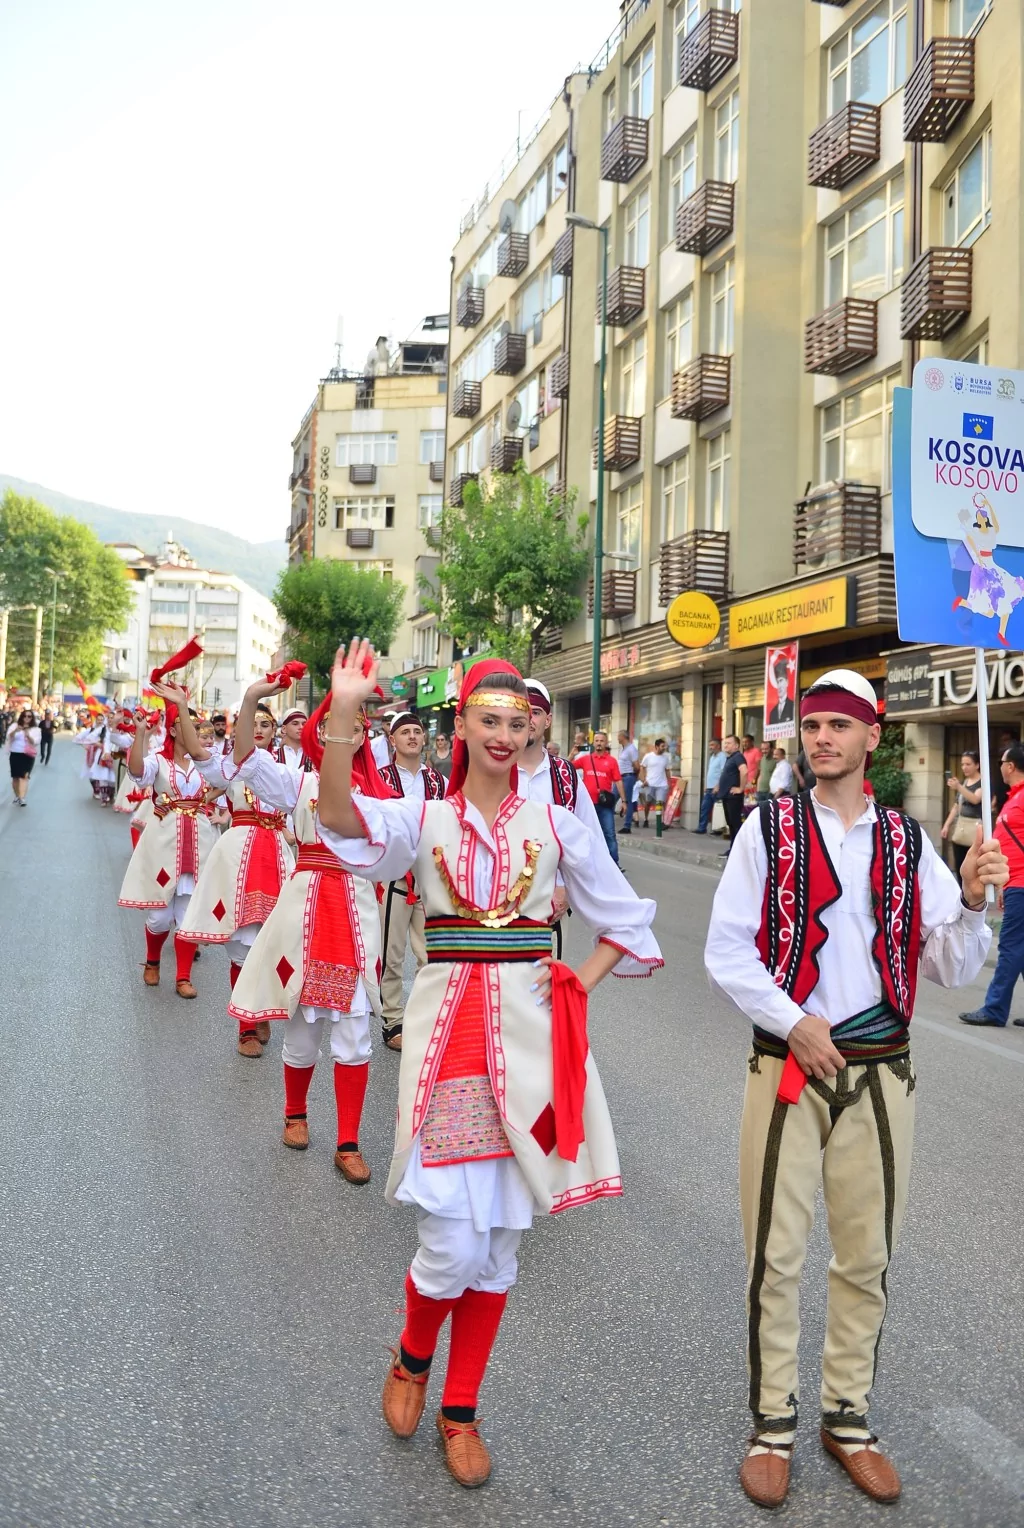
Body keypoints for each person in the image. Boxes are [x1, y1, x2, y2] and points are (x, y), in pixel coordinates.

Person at [314, 642, 662, 1490]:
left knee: (499, 1246)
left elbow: (627, 920)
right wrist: (343, 715)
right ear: (459, 726)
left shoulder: (558, 825)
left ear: (532, 727)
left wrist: (580, 974)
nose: (504, 735)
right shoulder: (422, 816)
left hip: (531, 1050)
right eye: (488, 720)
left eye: (517, 722)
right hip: (447, 1044)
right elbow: (340, 819)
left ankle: (461, 1409)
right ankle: (411, 1355)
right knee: (448, 1248)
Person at [705, 669, 1006, 1510]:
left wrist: (975, 901)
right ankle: (772, 1423)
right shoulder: (768, 828)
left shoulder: (911, 844)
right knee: (776, 1252)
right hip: (789, 1065)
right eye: (812, 725)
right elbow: (727, 950)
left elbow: (947, 963)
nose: (822, 738)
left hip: (882, 1071)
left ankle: (847, 1416)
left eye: (840, 725)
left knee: (867, 1255)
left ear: (874, 738)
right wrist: (794, 1019)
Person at [221, 676, 389, 1184]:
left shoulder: (381, 791)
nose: (353, 732)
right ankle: (295, 1113)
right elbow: (248, 760)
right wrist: (252, 700)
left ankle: (349, 1141)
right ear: (323, 734)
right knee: (303, 1024)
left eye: (359, 725)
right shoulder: (302, 784)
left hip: (357, 911)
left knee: (356, 1032)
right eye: (341, 723)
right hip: (307, 906)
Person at [174, 689, 298, 1058]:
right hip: (239, 854)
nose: (258, 728)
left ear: (275, 730)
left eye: (265, 723)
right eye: (252, 722)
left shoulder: (289, 770)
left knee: (275, 940)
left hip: (277, 854)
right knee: (242, 946)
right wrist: (182, 707)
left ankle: (260, 1006)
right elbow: (197, 752)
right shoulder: (230, 765)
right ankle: (246, 1025)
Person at [118, 686, 219, 999]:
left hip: (200, 840)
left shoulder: (209, 761)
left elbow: (227, 783)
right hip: (164, 842)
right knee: (160, 916)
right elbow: (136, 770)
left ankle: (183, 977)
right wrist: (139, 734)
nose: (193, 731)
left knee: (189, 915)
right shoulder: (158, 763)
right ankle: (152, 960)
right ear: (175, 730)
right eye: (185, 723)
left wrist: (210, 802)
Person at [518, 679, 613, 959]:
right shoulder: (494, 768)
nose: (528, 719)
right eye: (521, 710)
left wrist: (566, 887)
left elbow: (590, 842)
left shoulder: (567, 776)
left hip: (552, 903)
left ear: (548, 720)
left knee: (545, 993)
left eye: (535, 712)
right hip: (495, 904)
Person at [377, 713, 448, 1052]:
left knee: (430, 953)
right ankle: (392, 1022)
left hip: (429, 873)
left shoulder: (437, 780)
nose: (411, 737)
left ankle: (423, 1018)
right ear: (392, 739)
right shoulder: (380, 778)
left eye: (417, 732)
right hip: (393, 874)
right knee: (392, 954)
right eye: (404, 732)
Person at [960, 740, 1024, 1028]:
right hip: (1014, 885)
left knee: (1010, 947)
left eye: (1001, 762)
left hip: (1022, 886)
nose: (1000, 768)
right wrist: (1003, 886)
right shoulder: (1014, 798)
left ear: (1010, 766)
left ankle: (995, 1009)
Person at [577, 730, 625, 865]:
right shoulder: (586, 759)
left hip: (605, 805)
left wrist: (624, 801)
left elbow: (618, 781)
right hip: (588, 805)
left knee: (609, 834)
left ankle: (614, 864)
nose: (599, 743)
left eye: (602, 741)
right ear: (593, 743)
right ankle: (588, 862)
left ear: (606, 743)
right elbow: (567, 766)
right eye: (597, 741)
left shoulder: (611, 761)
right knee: (587, 834)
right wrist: (572, 754)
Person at [941, 749, 983, 879]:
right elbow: (956, 806)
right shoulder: (965, 782)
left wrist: (959, 787)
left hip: (975, 829)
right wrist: (946, 825)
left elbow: (975, 799)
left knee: (975, 866)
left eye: (968, 764)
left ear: (977, 765)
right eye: (962, 764)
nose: (964, 767)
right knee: (960, 866)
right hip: (961, 828)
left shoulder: (983, 782)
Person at [715, 736, 747, 855]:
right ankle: (733, 849)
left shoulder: (738, 756)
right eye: (725, 743)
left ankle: (738, 851)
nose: (725, 745)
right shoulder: (730, 758)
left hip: (734, 797)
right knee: (731, 824)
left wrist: (741, 788)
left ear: (736, 746)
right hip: (727, 796)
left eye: (729, 743)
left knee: (735, 824)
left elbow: (744, 771)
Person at [5, 709, 41, 806]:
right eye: (25, 716)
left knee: (24, 776)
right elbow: (9, 737)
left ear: (32, 718)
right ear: (21, 717)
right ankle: (17, 796)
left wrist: (28, 735)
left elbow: (36, 742)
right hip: (15, 753)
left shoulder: (36, 729)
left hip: (28, 755)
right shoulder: (14, 726)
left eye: (29, 716)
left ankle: (22, 798)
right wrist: (16, 731)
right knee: (16, 777)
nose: (26, 718)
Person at [638, 738, 671, 829]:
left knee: (660, 803)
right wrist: (643, 779)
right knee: (648, 803)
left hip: (662, 784)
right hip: (650, 783)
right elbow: (642, 767)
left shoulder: (666, 758)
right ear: (656, 747)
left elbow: (667, 770)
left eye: (665, 746)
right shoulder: (648, 756)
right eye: (662, 746)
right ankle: (646, 819)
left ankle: (662, 822)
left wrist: (669, 782)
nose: (664, 748)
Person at [695, 738, 724, 834]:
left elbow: (723, 772)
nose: (710, 747)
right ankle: (702, 828)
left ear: (718, 746)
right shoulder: (712, 757)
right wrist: (706, 785)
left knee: (717, 810)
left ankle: (717, 829)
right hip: (709, 788)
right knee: (704, 808)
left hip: (717, 788)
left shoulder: (722, 756)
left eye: (712, 745)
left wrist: (718, 785)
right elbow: (710, 773)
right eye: (710, 745)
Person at [616, 729, 639, 834]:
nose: (617, 738)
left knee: (628, 801)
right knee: (612, 797)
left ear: (623, 737)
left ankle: (627, 826)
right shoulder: (623, 749)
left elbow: (637, 766)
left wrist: (633, 776)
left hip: (628, 777)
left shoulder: (631, 749)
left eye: (618, 736)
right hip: (619, 778)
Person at [276, 706, 308, 771]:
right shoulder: (274, 755)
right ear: (284, 729)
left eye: (304, 724)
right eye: (295, 724)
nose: (301, 727)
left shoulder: (313, 756)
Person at [767, 655, 795, 728]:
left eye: (781, 680)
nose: (779, 685)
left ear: (787, 682)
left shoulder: (793, 706)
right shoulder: (773, 712)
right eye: (777, 682)